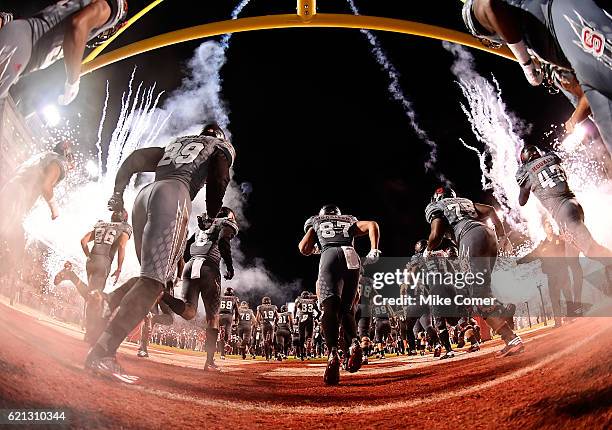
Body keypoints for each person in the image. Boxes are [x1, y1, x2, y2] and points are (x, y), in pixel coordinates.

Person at [85, 123, 234, 383]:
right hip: (173, 196)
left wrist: (118, 194)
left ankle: (110, 300)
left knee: (150, 280)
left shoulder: (177, 144)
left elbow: (134, 159)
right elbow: (220, 177)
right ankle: (103, 353)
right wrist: (211, 213)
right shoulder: (218, 147)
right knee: (152, 284)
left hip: (146, 195)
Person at [461, 0, 612, 152]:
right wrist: (577, 117)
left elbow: (488, 4)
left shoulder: (479, 11)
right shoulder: (553, 62)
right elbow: (592, 96)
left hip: (566, 18)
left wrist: (525, 63)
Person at [425, 186, 523, 357]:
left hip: (470, 239)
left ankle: (510, 333)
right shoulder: (465, 202)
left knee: (479, 296)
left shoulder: (436, 206)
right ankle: (503, 314)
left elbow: (436, 233)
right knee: (482, 291)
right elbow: (491, 210)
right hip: (488, 234)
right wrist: (502, 236)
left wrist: (428, 248)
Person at [299, 204, 381, 385]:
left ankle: (333, 353)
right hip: (352, 256)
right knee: (347, 309)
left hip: (329, 255)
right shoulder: (349, 219)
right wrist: (374, 250)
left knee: (329, 307)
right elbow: (372, 225)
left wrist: (315, 250)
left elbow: (303, 247)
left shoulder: (316, 221)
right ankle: (354, 343)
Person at [517, 145, 612, 297]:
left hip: (564, 213)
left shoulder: (526, 171)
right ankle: (576, 303)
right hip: (574, 205)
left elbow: (522, 201)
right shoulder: (551, 157)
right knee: (571, 259)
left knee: (591, 250)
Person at [0, 0, 127, 104]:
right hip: (20, 46)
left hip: (18, 39)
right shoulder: (113, 8)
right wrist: (73, 81)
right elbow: (78, 24)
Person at [161, 207, 238, 371]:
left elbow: (184, 247)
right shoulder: (225, 223)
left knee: (189, 312)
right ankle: (209, 362)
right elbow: (224, 242)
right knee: (213, 318)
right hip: (209, 268)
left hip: (191, 265)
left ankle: (162, 295)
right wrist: (229, 266)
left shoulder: (201, 227)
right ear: (228, 216)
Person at [0, 142, 74, 305]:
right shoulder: (58, 162)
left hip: (8, 192)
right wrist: (55, 208)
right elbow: (46, 186)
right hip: (16, 198)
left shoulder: (42, 156)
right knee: (15, 250)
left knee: (9, 242)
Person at [79, 209, 131, 343]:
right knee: (95, 297)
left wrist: (89, 256)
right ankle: (91, 332)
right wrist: (119, 268)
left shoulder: (101, 224)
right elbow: (121, 246)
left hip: (90, 262)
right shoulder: (124, 227)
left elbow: (83, 241)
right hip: (104, 262)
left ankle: (88, 329)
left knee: (91, 295)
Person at [517, 219, 582, 325]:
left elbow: (571, 244)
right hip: (551, 275)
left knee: (567, 294)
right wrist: (518, 262)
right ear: (544, 229)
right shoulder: (542, 246)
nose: (550, 227)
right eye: (548, 226)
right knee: (554, 298)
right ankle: (558, 322)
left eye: (551, 226)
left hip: (563, 272)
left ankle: (571, 316)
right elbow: (531, 256)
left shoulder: (560, 239)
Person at [293, 291, 319, 361]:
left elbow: (295, 309)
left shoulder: (299, 300)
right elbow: (319, 312)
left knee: (301, 338)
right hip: (310, 320)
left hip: (302, 319)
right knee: (309, 339)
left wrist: (295, 317)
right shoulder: (312, 301)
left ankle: (302, 355)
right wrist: (315, 318)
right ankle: (308, 355)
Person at [218, 286, 240, 359]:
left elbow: (216, 307)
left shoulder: (220, 297)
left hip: (220, 316)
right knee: (226, 335)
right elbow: (237, 311)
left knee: (220, 334)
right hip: (228, 317)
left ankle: (222, 354)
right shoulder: (233, 299)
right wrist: (236, 321)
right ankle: (223, 351)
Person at [256, 296, 278, 361]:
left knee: (265, 340)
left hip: (264, 324)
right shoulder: (273, 307)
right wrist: (275, 323)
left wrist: (260, 323)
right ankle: (274, 353)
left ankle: (267, 357)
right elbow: (277, 317)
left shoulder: (260, 307)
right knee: (271, 340)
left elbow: (257, 317)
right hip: (271, 324)